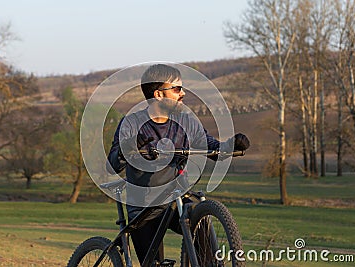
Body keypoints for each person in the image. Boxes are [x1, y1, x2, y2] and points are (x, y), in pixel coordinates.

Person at [106, 64, 250, 264]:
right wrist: (127, 148)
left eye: (182, 88)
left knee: (201, 224)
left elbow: (209, 146)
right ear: (158, 94)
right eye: (176, 89)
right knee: (152, 263)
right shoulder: (131, 123)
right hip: (143, 207)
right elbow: (112, 165)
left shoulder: (186, 121)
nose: (182, 94)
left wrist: (231, 145)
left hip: (175, 200)